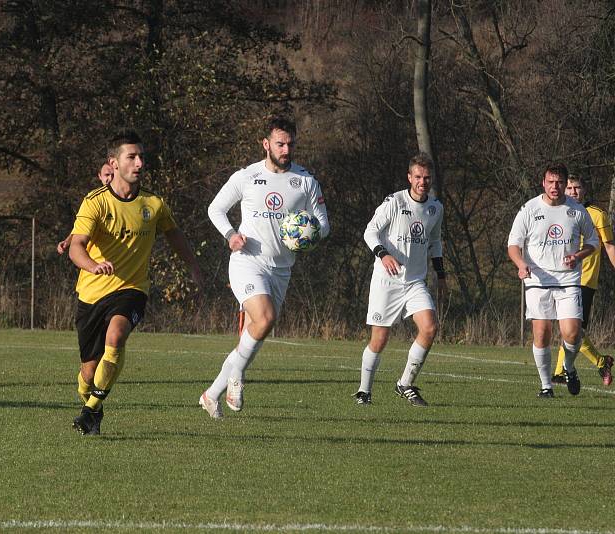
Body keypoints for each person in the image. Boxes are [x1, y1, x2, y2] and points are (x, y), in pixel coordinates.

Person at [68, 131, 203, 435]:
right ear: (113, 163)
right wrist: (93, 265)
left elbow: (174, 234)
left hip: (131, 290)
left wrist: (193, 265)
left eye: (142, 156)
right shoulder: (96, 202)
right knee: (88, 376)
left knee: (116, 336)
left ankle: (89, 411)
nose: (140, 163)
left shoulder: (153, 204)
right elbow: (77, 246)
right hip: (91, 293)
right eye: (132, 157)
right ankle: (94, 405)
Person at [200, 116, 330, 418]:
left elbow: (324, 225)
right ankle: (236, 377)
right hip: (248, 262)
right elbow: (216, 208)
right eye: (280, 143)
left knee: (259, 329)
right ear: (266, 144)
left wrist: (308, 233)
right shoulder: (247, 176)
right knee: (265, 317)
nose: (286, 149)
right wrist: (231, 235)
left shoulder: (306, 181)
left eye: (290, 144)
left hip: (282, 269)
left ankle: (211, 394)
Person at [354, 153, 445, 407]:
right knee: (380, 339)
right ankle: (364, 391)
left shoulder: (435, 208)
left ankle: (404, 384)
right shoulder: (394, 202)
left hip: (415, 281)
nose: (422, 182)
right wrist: (383, 255)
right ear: (409, 177)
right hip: (387, 280)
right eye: (417, 177)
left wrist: (441, 275)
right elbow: (370, 232)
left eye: (426, 178)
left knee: (430, 327)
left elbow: (435, 242)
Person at [507, 163, 598, 398]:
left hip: (568, 279)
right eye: (550, 182)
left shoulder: (577, 210)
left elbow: (592, 242)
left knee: (572, 333)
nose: (555, 186)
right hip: (537, 279)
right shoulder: (529, 209)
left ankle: (568, 366)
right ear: (543, 183)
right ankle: (546, 386)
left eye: (559, 182)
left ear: (565, 184)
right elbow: (513, 245)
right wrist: (521, 264)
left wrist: (577, 256)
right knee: (542, 334)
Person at [551, 174, 615, 386]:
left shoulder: (597, 214)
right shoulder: (559, 212)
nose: (572, 192)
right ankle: (599, 361)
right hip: (561, 277)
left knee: (574, 329)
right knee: (567, 328)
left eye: (576, 188)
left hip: (584, 280)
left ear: (584, 189)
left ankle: (562, 371)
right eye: (569, 188)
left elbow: (609, 246)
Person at [57, 163, 115, 254]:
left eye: (114, 175)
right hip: (95, 264)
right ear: (99, 176)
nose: (111, 178)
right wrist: (67, 241)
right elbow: (82, 227)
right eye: (107, 175)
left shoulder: (128, 199)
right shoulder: (93, 200)